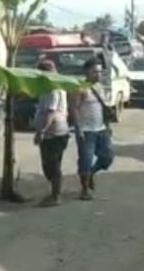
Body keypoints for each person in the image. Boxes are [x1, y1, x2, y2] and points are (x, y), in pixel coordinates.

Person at [70, 57, 115, 200]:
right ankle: (84, 189)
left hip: (101, 129)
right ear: (87, 72)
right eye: (95, 71)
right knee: (86, 159)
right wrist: (78, 130)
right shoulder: (80, 88)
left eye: (100, 72)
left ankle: (90, 174)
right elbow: (74, 109)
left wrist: (107, 127)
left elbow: (102, 110)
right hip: (86, 131)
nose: (98, 74)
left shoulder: (99, 87)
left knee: (107, 157)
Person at [33, 59, 70, 206]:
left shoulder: (52, 89)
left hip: (53, 132)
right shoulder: (54, 87)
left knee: (51, 166)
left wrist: (41, 131)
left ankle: (56, 196)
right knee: (52, 165)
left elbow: (51, 112)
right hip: (57, 131)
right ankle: (56, 191)